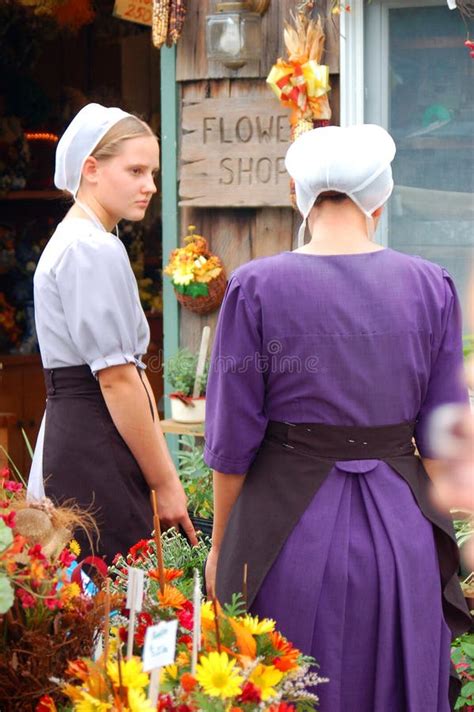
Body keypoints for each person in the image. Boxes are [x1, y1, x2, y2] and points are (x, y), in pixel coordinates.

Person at [204, 124, 471, 711]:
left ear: (298, 195)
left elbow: (231, 439)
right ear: (380, 198)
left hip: (283, 531)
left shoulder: (254, 288)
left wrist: (222, 546)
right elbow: (443, 437)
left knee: (291, 687)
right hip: (402, 534)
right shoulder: (432, 286)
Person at [28, 103, 197, 561]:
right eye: (136, 170)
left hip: (83, 430)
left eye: (153, 172)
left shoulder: (86, 241)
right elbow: (118, 378)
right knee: (117, 596)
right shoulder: (90, 248)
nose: (150, 186)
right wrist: (165, 484)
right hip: (93, 439)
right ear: (92, 169)